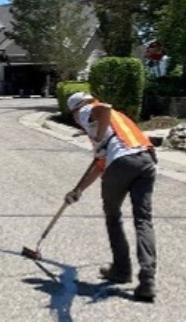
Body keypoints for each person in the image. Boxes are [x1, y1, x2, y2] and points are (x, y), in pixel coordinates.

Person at [62, 91, 158, 303]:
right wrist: (78, 190)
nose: (77, 121)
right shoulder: (118, 120)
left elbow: (103, 107)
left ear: (77, 110)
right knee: (143, 220)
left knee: (113, 216)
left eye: (74, 116)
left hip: (122, 163)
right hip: (145, 160)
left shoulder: (88, 111)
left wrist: (98, 135)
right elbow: (100, 163)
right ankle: (147, 279)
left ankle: (122, 270)